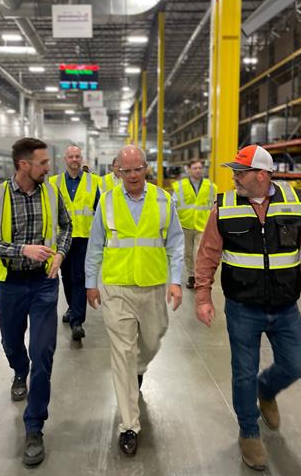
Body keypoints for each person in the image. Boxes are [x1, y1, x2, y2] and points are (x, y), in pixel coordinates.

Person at [194, 144, 301, 471]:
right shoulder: (224, 207)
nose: (234, 178)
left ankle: (266, 390)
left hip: (285, 307)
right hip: (242, 307)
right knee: (244, 371)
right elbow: (207, 254)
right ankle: (249, 431)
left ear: (261, 175)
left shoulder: (294, 202)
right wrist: (202, 297)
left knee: (297, 363)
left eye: (240, 172)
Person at [85, 145, 184, 456]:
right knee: (122, 354)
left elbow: (176, 242)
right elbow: (95, 245)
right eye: (125, 170)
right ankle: (129, 425)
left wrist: (176, 280)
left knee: (152, 340)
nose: (132, 175)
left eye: (137, 169)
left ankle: (139, 367)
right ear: (117, 171)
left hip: (153, 285)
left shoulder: (163, 200)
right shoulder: (107, 201)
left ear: (146, 168)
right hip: (116, 287)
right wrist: (90, 283)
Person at [0, 137, 72, 466]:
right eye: (43, 163)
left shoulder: (52, 192)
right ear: (24, 165)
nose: (49, 168)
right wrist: (22, 250)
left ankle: (34, 427)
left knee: (43, 354)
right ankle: (19, 371)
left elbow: (67, 226)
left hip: (44, 284)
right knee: (11, 342)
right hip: (11, 285)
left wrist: (60, 253)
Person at [49, 145, 100, 341]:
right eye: (71, 156)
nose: (74, 159)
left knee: (79, 277)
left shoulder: (93, 181)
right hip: (62, 238)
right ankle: (72, 308)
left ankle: (77, 321)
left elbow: (100, 209)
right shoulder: (54, 182)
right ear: (65, 159)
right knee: (67, 277)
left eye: (77, 156)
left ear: (81, 158)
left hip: (84, 237)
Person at [172, 158, 217, 289]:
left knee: (199, 253)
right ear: (188, 169)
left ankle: (199, 277)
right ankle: (191, 276)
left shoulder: (211, 187)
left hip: (203, 225)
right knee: (187, 253)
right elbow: (173, 205)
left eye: (200, 168)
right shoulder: (180, 186)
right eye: (195, 168)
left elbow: (214, 206)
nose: (198, 170)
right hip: (185, 225)